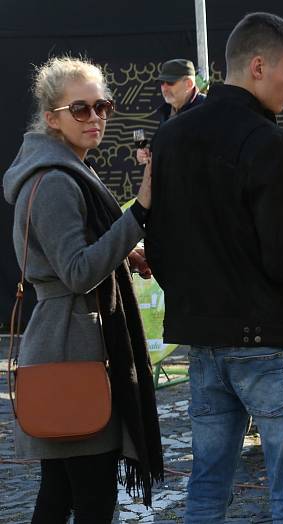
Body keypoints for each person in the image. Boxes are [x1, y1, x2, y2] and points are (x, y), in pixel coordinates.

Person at [146, 13, 283, 522]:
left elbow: (158, 246)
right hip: (271, 340)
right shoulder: (267, 142)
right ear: (256, 66)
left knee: (207, 488)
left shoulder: (169, 138)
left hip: (205, 339)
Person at [3, 56, 163, 522]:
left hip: (67, 342)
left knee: (60, 492)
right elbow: (76, 271)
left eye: (103, 106)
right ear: (52, 118)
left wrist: (122, 253)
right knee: (91, 497)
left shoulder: (65, 169)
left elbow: (75, 253)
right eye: (81, 109)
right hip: (69, 347)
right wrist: (140, 213)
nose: (96, 118)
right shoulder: (54, 180)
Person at [136, 58, 206, 164]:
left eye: (170, 82)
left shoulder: (206, 108)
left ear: (189, 83)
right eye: (162, 83)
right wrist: (146, 154)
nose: (164, 88)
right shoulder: (167, 112)